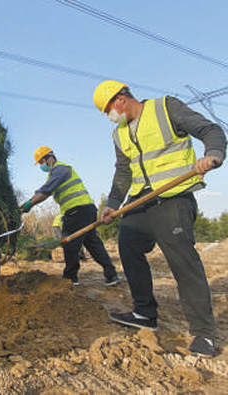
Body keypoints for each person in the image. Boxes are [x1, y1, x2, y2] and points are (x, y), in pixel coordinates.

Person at [93, 80, 227, 357]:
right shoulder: (119, 134)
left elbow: (211, 130)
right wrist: (113, 204)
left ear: (121, 99)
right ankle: (145, 313)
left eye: (108, 110)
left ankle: (204, 335)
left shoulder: (166, 108)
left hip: (175, 197)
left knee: (182, 261)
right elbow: (123, 172)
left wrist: (212, 155)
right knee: (128, 244)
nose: (109, 117)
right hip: (142, 201)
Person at [21, 146, 120, 286]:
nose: (42, 165)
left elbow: (45, 192)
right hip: (87, 209)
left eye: (42, 162)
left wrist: (28, 205)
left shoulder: (60, 169)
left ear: (49, 158)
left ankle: (70, 278)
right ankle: (111, 275)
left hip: (76, 211)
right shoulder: (59, 171)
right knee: (93, 243)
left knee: (69, 243)